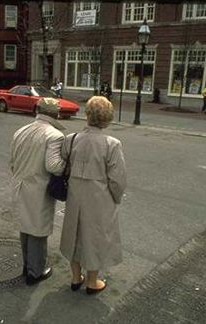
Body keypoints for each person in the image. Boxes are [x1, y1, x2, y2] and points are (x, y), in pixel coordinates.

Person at [60, 96, 127, 295]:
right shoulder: (111, 144)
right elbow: (118, 179)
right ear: (107, 118)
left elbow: (64, 163)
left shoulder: (71, 139)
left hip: (75, 195)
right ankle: (92, 281)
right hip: (99, 198)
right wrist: (116, 197)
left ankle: (74, 277)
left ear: (87, 115)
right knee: (94, 237)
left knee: (75, 234)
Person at [9, 97, 66, 285]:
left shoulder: (21, 131)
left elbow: (12, 162)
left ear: (38, 110)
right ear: (55, 114)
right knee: (38, 232)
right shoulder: (55, 135)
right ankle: (36, 272)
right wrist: (68, 163)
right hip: (38, 191)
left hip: (20, 186)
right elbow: (54, 166)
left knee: (25, 228)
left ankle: (27, 266)